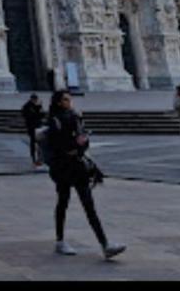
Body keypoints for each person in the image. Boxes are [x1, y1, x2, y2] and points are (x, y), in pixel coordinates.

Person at [46, 90, 125, 259]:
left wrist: (80, 144)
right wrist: (74, 144)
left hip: (77, 167)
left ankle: (105, 244)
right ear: (59, 102)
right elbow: (58, 144)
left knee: (89, 205)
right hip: (63, 168)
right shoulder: (54, 120)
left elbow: (83, 141)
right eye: (66, 100)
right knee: (63, 203)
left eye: (70, 99)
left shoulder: (75, 117)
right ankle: (60, 241)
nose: (70, 102)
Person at [22, 93, 46, 167]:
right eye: (34, 99)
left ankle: (40, 159)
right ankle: (34, 158)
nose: (35, 100)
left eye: (36, 99)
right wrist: (38, 109)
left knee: (40, 143)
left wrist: (39, 108)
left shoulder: (38, 106)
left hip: (38, 126)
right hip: (32, 127)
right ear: (31, 99)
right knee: (33, 143)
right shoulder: (27, 106)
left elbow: (42, 114)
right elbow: (30, 116)